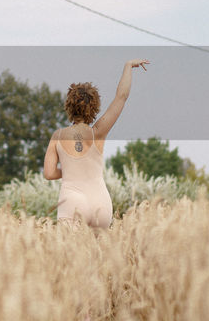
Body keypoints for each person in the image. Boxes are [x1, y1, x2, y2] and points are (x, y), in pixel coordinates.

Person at [44, 59, 150, 228]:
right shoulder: (98, 132)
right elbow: (121, 97)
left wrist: (71, 170)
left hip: (72, 202)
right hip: (100, 202)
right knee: (100, 253)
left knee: (68, 254)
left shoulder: (57, 136)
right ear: (94, 107)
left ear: (69, 106)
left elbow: (49, 173)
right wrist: (128, 66)